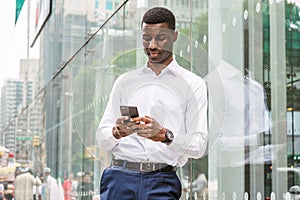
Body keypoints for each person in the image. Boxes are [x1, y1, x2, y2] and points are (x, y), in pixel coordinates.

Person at [96, 6, 208, 200]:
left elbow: (199, 145)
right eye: (146, 38)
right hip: (119, 179)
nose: (152, 45)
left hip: (162, 181)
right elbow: (102, 136)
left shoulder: (193, 84)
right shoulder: (125, 82)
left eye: (160, 38)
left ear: (174, 36)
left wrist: (164, 135)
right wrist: (117, 132)